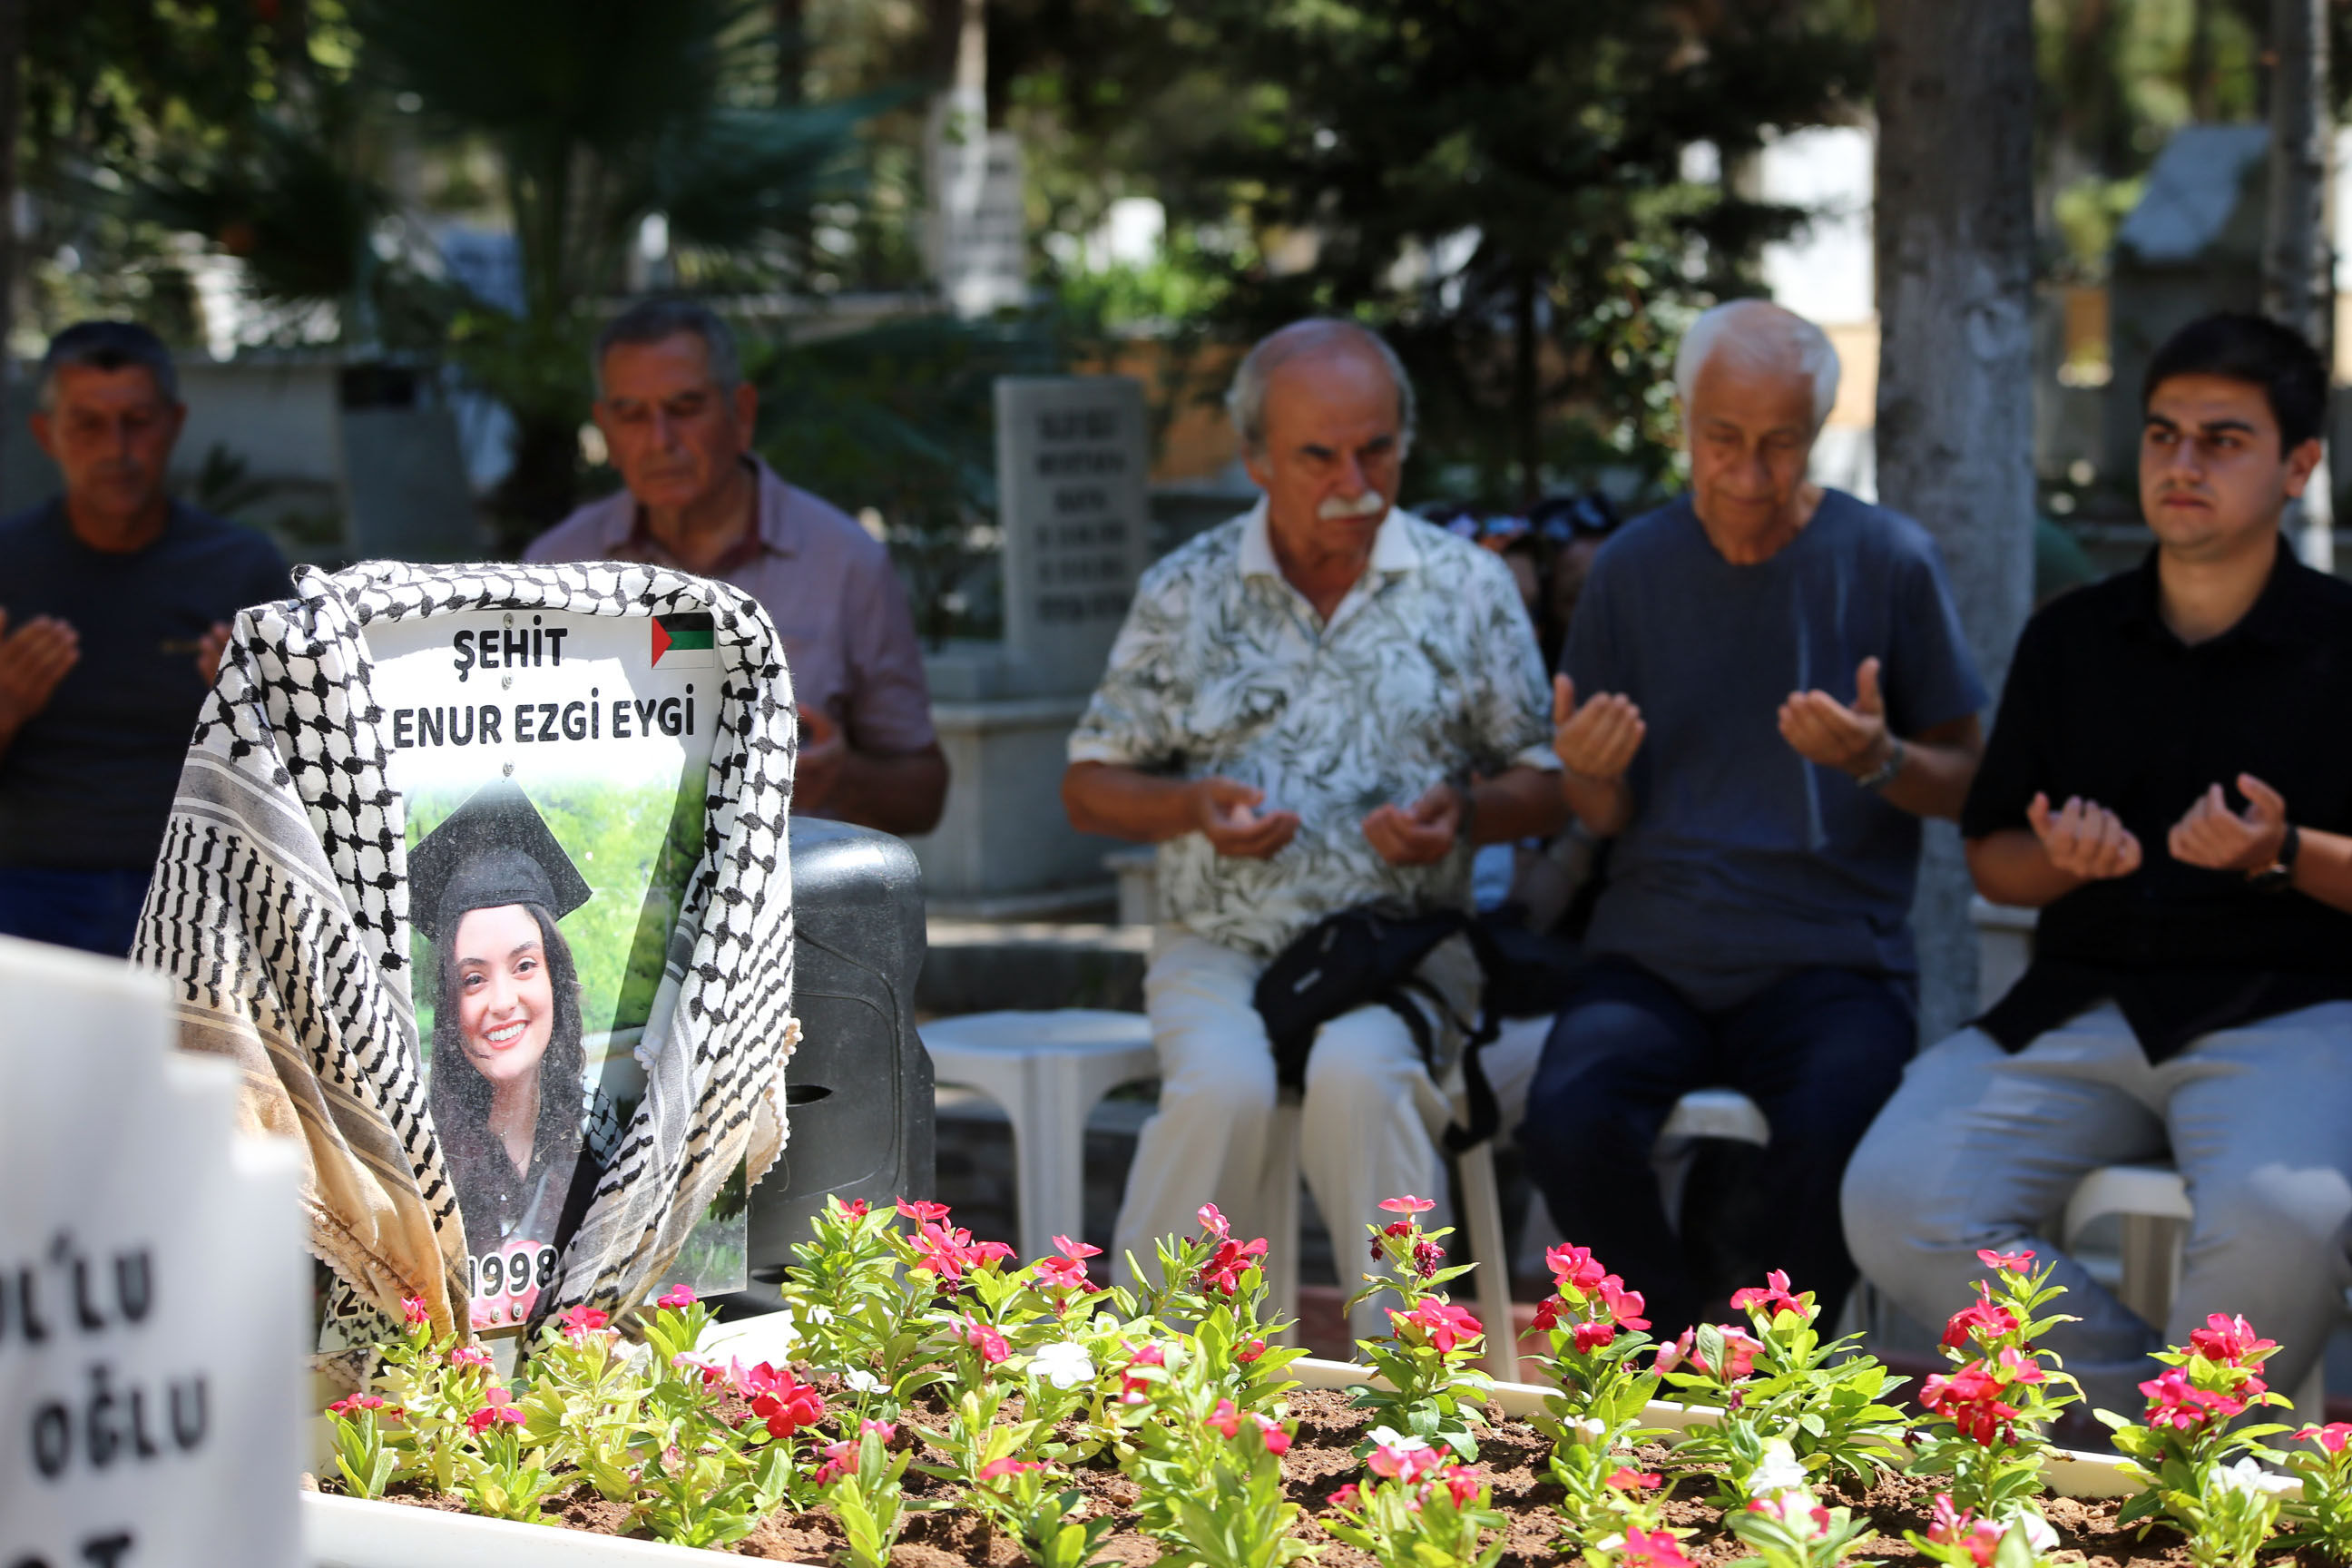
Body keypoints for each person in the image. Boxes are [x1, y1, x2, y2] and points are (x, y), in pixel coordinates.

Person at [1844, 313, 2352, 1419]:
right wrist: (2064, 862)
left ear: (2299, 465)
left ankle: (2182, 1459)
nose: (2182, 462)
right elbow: (1994, 862)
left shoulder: (2343, 642)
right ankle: (2147, 1437)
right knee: (1896, 1197)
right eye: (2165, 433)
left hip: (2296, 1010)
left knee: (2288, 1220)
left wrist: (2281, 852)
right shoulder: (2070, 638)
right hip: (2085, 1002)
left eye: (2223, 440)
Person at [1062, 318, 1567, 1338]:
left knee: (1358, 1075)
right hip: (1223, 941)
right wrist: (1190, 808)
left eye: (1376, 448)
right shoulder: (1187, 589)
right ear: (1254, 458)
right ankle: (1145, 1375)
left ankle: (1412, 1390)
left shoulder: (1465, 586)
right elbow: (1089, 783)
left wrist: (1463, 814)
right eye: (1319, 454)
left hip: (1405, 949)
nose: (1357, 480)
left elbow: (1548, 785)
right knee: (1223, 1087)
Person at [1520, 299, 1989, 1336]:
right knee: (1566, 1115)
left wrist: (1879, 757)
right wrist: (1585, 774)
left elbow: (1966, 779)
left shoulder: (1889, 560)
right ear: (1683, 420)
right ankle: (1670, 1351)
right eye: (1720, 439)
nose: (1746, 471)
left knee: (1840, 1124)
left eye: (1779, 444)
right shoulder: (1631, 570)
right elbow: (1600, 808)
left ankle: (1775, 1389)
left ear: (1818, 432)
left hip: (1832, 958)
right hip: (1655, 948)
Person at [524, 299, 947, 836]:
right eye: (632, 415)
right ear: (605, 428)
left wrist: (840, 778)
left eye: (685, 407)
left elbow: (925, 795)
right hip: (609, 897)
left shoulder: (845, 563)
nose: (660, 441)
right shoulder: (554, 569)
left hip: (793, 895)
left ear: (741, 414)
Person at [0, 320, 289, 956]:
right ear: (46, 434)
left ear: (175, 422)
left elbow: (312, 774)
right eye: (89, 425)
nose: (117, 448)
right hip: (29, 886)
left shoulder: (241, 567)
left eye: (139, 421)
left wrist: (251, 716)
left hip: (203, 884)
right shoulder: (9, 566)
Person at [410, 779, 597, 1296]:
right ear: (448, 1006)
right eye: (472, 978)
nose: (501, 1001)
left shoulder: (604, 1134)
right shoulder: (417, 1159)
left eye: (524, 966)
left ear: (554, 980)